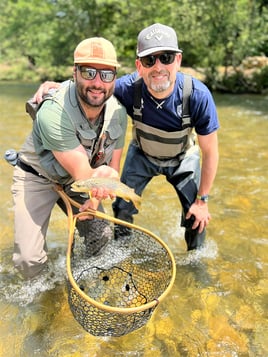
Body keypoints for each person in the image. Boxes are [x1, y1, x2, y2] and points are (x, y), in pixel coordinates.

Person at [33, 23, 219, 252]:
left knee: (196, 216)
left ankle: (196, 263)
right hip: (142, 154)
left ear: (178, 60)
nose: (158, 67)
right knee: (121, 207)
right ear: (139, 66)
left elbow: (210, 152)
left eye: (166, 57)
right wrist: (58, 87)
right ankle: (121, 252)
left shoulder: (198, 96)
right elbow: (93, 86)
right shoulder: (127, 88)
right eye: (150, 60)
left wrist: (203, 200)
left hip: (183, 158)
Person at [11, 37, 128, 279]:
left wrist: (94, 202)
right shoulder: (53, 112)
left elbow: (112, 169)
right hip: (37, 176)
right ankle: (41, 303)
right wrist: (106, 179)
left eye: (106, 74)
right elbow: (86, 176)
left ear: (115, 78)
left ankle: (86, 278)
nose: (97, 83)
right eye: (88, 72)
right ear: (74, 73)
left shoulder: (119, 114)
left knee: (102, 235)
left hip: (79, 180)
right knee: (28, 261)